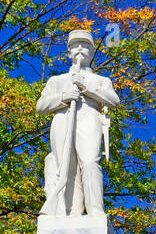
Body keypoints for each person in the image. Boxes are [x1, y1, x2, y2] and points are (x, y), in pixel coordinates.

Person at [36, 30, 120, 218]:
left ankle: (95, 209)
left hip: (89, 117)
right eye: (75, 45)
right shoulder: (57, 80)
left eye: (85, 45)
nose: (80, 49)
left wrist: (87, 88)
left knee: (90, 161)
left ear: (92, 51)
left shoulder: (100, 80)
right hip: (62, 119)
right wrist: (63, 97)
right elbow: (41, 106)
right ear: (69, 52)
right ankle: (71, 211)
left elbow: (114, 101)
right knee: (66, 164)